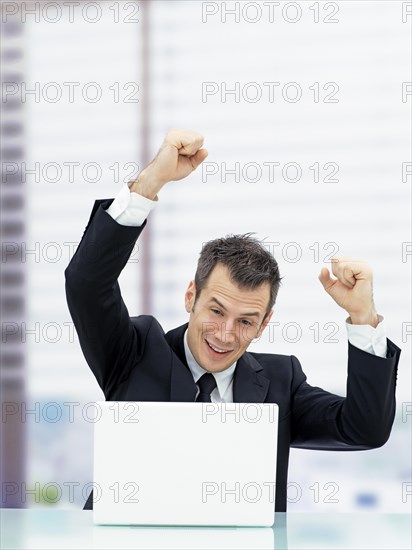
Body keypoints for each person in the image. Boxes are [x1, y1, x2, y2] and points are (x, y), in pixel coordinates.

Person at [65, 129, 401, 513]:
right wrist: (150, 184)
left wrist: (362, 317)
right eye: (216, 311)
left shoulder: (280, 382)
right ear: (191, 296)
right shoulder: (134, 352)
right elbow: (86, 283)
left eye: (246, 321)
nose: (226, 335)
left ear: (264, 323)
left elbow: (365, 428)